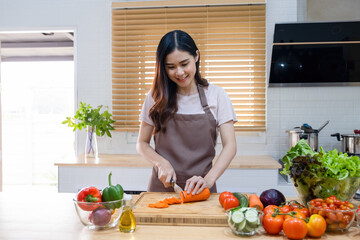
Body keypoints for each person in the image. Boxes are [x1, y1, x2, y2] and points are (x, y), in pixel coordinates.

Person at [136, 30, 237, 195]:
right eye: (171, 67)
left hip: (202, 189)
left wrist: (209, 180)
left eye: (184, 64)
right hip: (161, 189)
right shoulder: (155, 97)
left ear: (196, 56)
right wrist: (161, 163)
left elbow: (230, 146)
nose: (180, 73)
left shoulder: (217, 95)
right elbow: (142, 143)